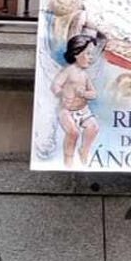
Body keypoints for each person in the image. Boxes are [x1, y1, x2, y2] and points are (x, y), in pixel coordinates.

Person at [52, 34, 101, 167]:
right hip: (67, 110)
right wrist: (62, 93)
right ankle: (68, 158)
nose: (91, 58)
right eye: (88, 54)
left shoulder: (84, 75)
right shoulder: (69, 71)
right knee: (73, 132)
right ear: (76, 53)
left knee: (93, 127)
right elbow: (56, 84)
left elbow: (93, 94)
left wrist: (84, 93)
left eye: (91, 54)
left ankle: (84, 150)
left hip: (83, 110)